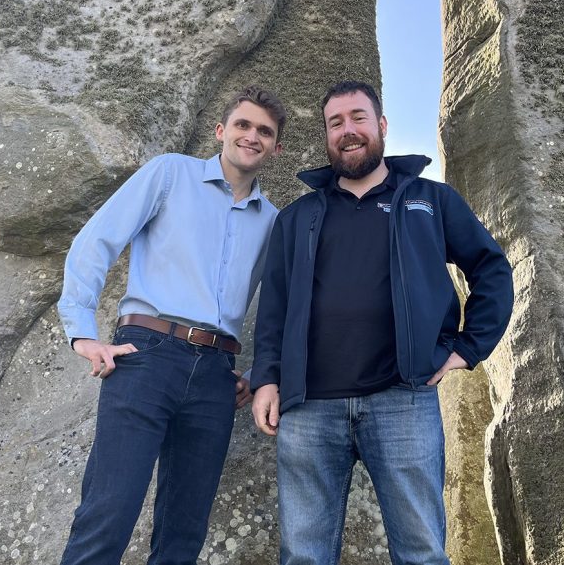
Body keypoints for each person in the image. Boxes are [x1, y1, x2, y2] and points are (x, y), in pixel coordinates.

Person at [250, 80, 514, 565]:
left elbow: (492, 269)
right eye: (336, 123)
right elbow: (275, 308)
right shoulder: (298, 217)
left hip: (403, 402)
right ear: (327, 135)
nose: (347, 131)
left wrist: (467, 348)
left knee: (421, 553)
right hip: (308, 409)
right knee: (303, 556)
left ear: (382, 126)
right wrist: (266, 378)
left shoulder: (431, 200)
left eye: (358, 118)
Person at [56, 86, 286, 565]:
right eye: (242, 125)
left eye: (264, 131)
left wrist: (261, 372)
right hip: (145, 356)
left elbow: (280, 306)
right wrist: (81, 332)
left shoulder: (275, 223)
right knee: (107, 515)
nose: (252, 136)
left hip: (217, 376)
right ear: (221, 131)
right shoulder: (169, 173)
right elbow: (95, 242)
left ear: (276, 148)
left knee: (184, 533)